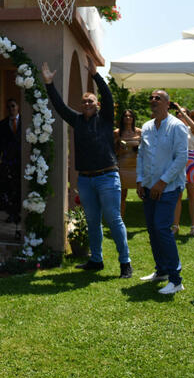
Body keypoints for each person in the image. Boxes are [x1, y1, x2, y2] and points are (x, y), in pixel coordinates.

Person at [42, 56, 132, 279]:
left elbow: (108, 96)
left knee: (113, 219)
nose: (87, 104)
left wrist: (95, 75)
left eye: (91, 101)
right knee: (92, 221)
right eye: (84, 102)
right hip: (86, 179)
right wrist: (49, 84)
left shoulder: (106, 118)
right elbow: (61, 107)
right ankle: (96, 260)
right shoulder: (77, 120)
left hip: (107, 177)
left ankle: (125, 263)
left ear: (98, 105)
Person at [135, 89, 189, 294]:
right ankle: (162, 270)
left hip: (169, 187)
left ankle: (176, 280)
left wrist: (162, 182)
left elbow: (181, 158)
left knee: (161, 228)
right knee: (152, 228)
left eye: (158, 98)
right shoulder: (147, 127)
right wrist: (140, 180)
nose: (153, 101)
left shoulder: (177, 127)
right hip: (148, 186)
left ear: (167, 104)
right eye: (151, 98)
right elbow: (141, 156)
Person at [170, 102, 194, 236]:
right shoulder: (172, 130)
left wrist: (181, 111)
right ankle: (175, 225)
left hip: (190, 160)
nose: (179, 115)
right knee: (177, 195)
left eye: (181, 113)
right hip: (177, 160)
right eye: (177, 113)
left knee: (192, 194)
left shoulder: (191, 129)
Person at [0, 99, 22, 224]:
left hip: (20, 160)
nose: (11, 109)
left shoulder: (24, 121)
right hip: (8, 160)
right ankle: (12, 214)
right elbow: (0, 143)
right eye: (8, 107)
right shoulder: (3, 123)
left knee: (19, 188)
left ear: (18, 107)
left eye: (13, 106)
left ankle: (19, 213)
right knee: (9, 188)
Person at [115, 108, 140, 219]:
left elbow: (146, 148)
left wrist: (138, 148)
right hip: (123, 166)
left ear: (133, 118)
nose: (128, 118)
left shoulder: (139, 131)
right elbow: (113, 151)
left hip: (137, 165)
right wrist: (120, 149)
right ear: (122, 118)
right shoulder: (117, 132)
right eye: (125, 116)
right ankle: (120, 219)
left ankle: (149, 220)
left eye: (130, 116)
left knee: (143, 192)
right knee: (122, 195)